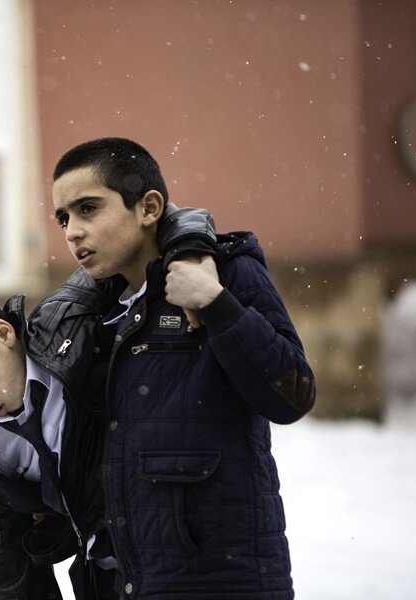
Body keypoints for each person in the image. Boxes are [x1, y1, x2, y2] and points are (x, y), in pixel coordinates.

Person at [0, 208, 217, 600]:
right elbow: (12, 567)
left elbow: (158, 221)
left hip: (180, 551)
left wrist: (190, 255)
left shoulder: (69, 321)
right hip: (104, 579)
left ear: (2, 334)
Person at [50, 136, 316, 599]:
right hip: (128, 583)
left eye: (88, 209)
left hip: (225, 582)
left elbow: (292, 395)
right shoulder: (89, 316)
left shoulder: (225, 274)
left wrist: (216, 305)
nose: (72, 231)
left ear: (148, 207)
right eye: (64, 218)